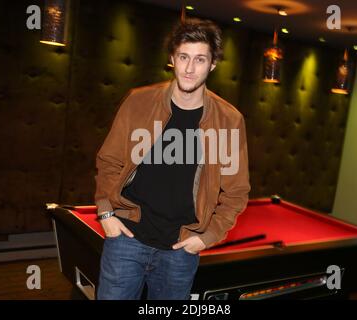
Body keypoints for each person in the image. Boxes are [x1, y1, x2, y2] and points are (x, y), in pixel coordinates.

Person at [94, 18, 250, 300]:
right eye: (184, 57)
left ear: (212, 64)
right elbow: (109, 161)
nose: (190, 69)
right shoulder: (138, 101)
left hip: (181, 250)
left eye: (200, 59)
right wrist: (105, 212)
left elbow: (236, 191)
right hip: (127, 238)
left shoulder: (229, 120)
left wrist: (207, 236)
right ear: (172, 59)